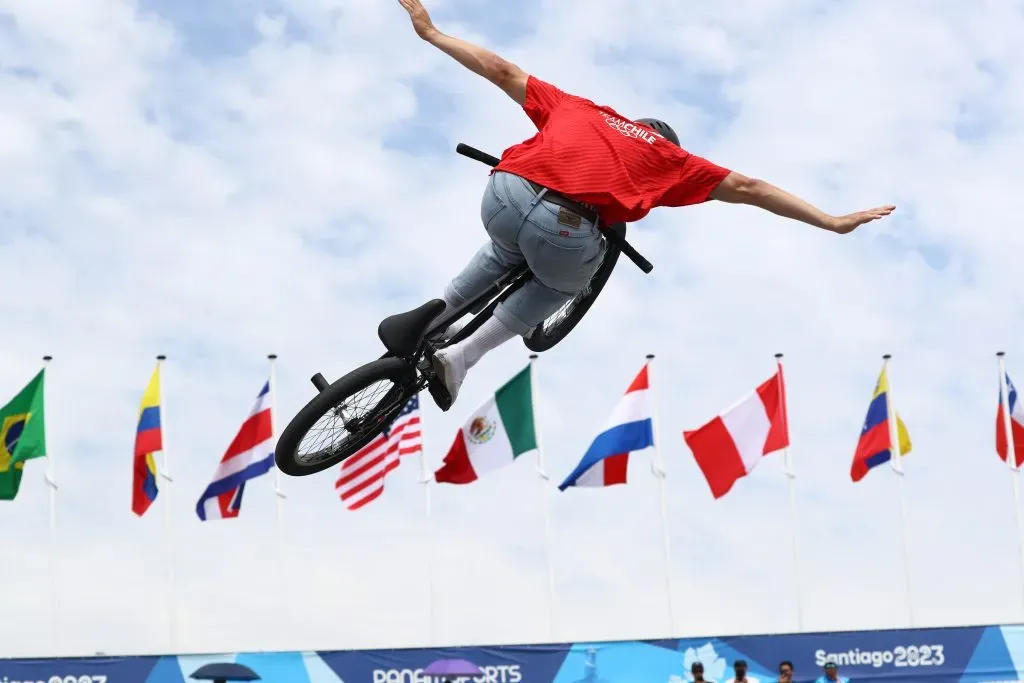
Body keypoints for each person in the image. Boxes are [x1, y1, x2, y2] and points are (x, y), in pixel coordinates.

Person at [394, 0, 896, 409]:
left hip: (504, 193)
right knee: (559, 280)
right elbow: (749, 187)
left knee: (505, 249)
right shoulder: (672, 159)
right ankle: (462, 356)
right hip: (566, 227)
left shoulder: (583, 108)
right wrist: (830, 221)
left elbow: (501, 69)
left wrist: (433, 33)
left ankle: (434, 317)